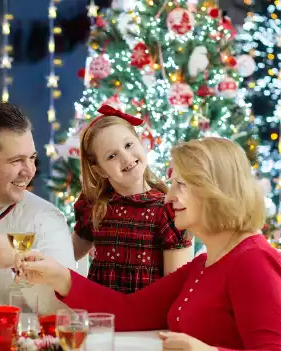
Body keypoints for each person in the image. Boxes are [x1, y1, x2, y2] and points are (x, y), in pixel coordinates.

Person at [20, 137, 281, 351]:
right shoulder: (205, 263)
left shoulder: (253, 262)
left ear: (215, 189)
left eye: (181, 185)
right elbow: (131, 312)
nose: (168, 197)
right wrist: (59, 276)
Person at [0, 101, 75, 316]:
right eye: (16, 160)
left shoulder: (45, 219)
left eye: (32, 158)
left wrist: (16, 259)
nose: (30, 171)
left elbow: (65, 313)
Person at [72, 104, 192, 294]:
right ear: (100, 169)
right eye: (112, 156)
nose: (126, 158)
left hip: (148, 319)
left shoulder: (166, 210)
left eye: (128, 145)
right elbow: (66, 255)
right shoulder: (93, 206)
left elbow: (175, 287)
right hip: (101, 316)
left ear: (140, 142)